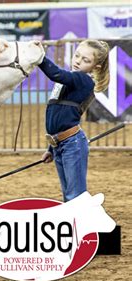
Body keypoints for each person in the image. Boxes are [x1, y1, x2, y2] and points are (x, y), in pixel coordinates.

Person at [39, 40, 110, 202]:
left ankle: (84, 226)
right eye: (77, 56)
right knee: (68, 196)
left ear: (95, 67)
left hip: (73, 145)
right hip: (60, 144)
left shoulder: (84, 80)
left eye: (86, 60)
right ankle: (75, 225)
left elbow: (56, 73)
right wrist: (51, 148)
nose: (78, 61)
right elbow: (59, 119)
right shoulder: (69, 80)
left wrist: (40, 58)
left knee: (75, 197)